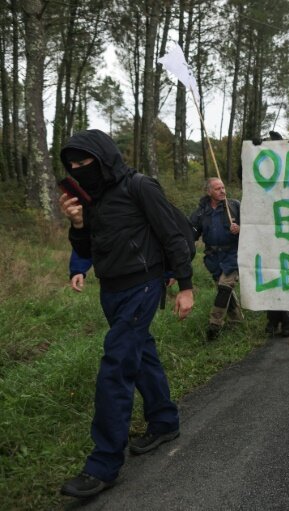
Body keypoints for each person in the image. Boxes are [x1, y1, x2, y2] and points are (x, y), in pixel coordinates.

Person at [58, 129, 194, 499]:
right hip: (111, 289)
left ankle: (103, 463)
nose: (78, 168)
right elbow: (90, 245)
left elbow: (173, 236)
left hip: (144, 284)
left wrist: (185, 286)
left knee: (116, 366)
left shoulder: (140, 186)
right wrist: (77, 226)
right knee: (142, 354)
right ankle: (164, 421)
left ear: (103, 158)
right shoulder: (92, 198)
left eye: (84, 162)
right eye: (71, 165)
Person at [251, 131, 289, 338]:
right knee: (270, 275)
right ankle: (277, 318)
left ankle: (282, 319)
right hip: (266, 232)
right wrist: (254, 150)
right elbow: (247, 177)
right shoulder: (262, 174)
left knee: (282, 277)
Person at [189, 177, 244, 341]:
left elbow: (252, 225)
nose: (223, 191)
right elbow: (191, 233)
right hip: (213, 257)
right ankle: (237, 322)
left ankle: (214, 325)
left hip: (233, 254)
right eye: (218, 188)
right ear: (209, 191)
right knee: (225, 290)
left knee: (225, 287)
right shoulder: (201, 211)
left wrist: (240, 228)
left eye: (223, 187)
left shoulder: (234, 206)